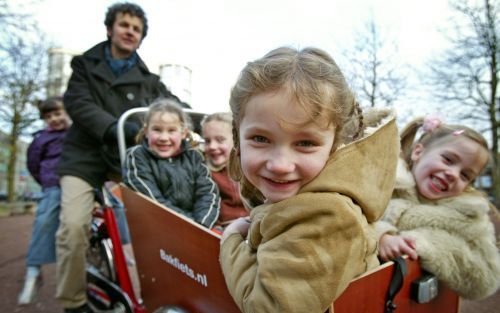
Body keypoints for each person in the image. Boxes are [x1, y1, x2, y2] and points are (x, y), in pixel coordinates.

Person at [219, 46, 400, 313]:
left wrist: (230, 241)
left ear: (335, 145)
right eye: (260, 139)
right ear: (239, 137)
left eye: (305, 143)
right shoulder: (298, 198)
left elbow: (268, 308)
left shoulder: (328, 216)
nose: (280, 165)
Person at [55, 3, 184, 312]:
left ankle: (162, 290)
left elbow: (171, 104)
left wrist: (196, 121)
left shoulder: (148, 80)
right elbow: (78, 103)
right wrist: (113, 128)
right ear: (110, 28)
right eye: (124, 25)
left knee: (163, 216)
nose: (130, 32)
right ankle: (73, 302)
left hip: (124, 161)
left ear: (141, 38)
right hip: (84, 159)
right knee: (73, 226)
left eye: (136, 29)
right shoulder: (85, 66)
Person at [375, 116, 500, 300]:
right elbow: (347, 219)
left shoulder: (468, 218)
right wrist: (381, 236)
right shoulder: (380, 183)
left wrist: (426, 244)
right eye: (448, 160)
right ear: (418, 152)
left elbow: (487, 279)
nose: (453, 174)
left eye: (465, 175)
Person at [123, 98, 220, 228]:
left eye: (171, 130)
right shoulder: (137, 156)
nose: (164, 138)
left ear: (183, 133)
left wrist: (202, 225)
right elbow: (151, 200)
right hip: (155, 225)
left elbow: (208, 194)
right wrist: (189, 225)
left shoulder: (194, 157)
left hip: (197, 225)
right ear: (146, 131)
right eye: (157, 130)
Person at [17, 97, 71, 305]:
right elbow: (33, 163)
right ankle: (33, 270)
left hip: (81, 177)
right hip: (54, 183)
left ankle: (121, 248)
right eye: (48, 117)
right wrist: (47, 180)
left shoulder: (77, 134)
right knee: (45, 220)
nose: (54, 119)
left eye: (57, 113)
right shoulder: (41, 140)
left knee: (115, 204)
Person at [201, 112, 248, 230]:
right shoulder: (204, 173)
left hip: (254, 223)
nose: (212, 146)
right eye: (207, 141)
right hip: (225, 228)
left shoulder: (247, 167)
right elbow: (205, 204)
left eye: (220, 140)